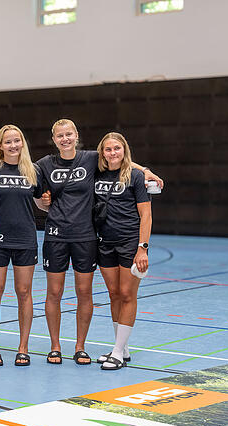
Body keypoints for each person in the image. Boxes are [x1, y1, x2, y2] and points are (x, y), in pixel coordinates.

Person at [34, 119, 162, 365]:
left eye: (69, 134)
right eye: (60, 135)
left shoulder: (91, 159)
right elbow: (34, 190)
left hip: (90, 237)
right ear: (54, 139)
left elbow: (120, 159)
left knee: (97, 293)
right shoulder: (44, 164)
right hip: (63, 237)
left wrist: (145, 170)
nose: (65, 139)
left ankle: (84, 347)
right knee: (64, 292)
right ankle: (57, 346)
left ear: (76, 135)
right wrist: (42, 203)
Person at [0, 125, 43, 366]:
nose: (13, 145)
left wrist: (49, 203)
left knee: (24, 292)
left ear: (22, 143)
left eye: (17, 141)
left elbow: (42, 203)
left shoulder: (33, 170)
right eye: (8, 142)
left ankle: (23, 347)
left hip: (25, 239)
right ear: (0, 145)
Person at [93, 133, 151, 370]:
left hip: (130, 244)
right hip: (104, 242)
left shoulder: (135, 176)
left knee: (127, 294)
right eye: (108, 149)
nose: (112, 153)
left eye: (117, 148)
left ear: (124, 150)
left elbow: (145, 215)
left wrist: (143, 248)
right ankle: (122, 348)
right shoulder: (96, 173)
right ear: (102, 152)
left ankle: (117, 351)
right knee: (114, 294)